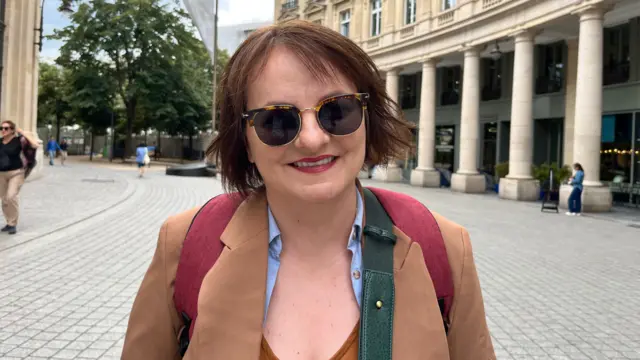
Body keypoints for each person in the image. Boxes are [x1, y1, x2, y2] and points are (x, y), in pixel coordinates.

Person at [122, 21, 495, 359]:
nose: (313, 139)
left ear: (367, 118)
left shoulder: (444, 247)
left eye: (336, 110)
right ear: (246, 142)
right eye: (278, 121)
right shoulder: (185, 243)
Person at [0, 120, 38, 234]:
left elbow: (35, 145)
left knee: (11, 196)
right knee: (5, 199)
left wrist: (22, 132)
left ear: (12, 130)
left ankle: (12, 224)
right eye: (1, 128)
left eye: (6, 128)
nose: (3, 130)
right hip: (1, 174)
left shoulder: (19, 141)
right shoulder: (0, 142)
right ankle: (8, 222)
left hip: (16, 173)